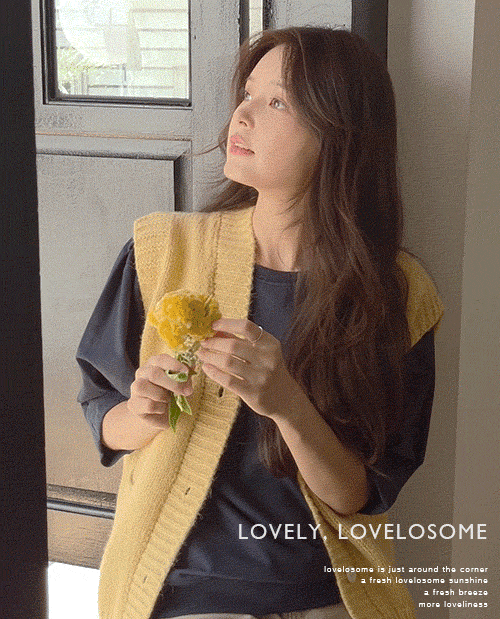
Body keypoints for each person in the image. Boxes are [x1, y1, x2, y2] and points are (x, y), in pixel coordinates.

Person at [77, 26, 444, 619]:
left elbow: (357, 494)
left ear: (339, 136)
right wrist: (140, 413)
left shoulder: (397, 294)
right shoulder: (162, 252)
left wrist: (288, 405)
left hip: (328, 595)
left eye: (277, 103)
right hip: (187, 595)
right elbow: (104, 416)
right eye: (247, 94)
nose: (241, 117)